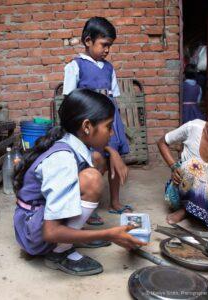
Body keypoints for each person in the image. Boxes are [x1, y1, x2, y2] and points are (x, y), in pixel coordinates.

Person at [13, 89, 146, 276]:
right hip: (34, 232)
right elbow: (50, 233)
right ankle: (59, 252)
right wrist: (109, 234)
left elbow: (98, 151)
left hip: (37, 218)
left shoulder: (69, 140)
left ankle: (73, 233)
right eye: (109, 127)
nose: (112, 133)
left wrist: (114, 152)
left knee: (97, 159)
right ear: (86, 127)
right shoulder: (63, 159)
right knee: (92, 179)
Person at [63, 17, 131, 225]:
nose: (107, 50)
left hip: (110, 120)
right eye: (104, 44)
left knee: (115, 157)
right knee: (96, 159)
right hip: (89, 122)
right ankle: (88, 204)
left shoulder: (109, 68)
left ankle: (115, 202)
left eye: (109, 45)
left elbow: (114, 96)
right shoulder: (75, 66)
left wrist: (117, 124)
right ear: (88, 41)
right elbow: (70, 100)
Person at [157, 106, 208, 229]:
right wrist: (173, 166)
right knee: (194, 165)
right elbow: (162, 142)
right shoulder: (194, 127)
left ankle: (193, 211)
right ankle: (187, 209)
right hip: (181, 191)